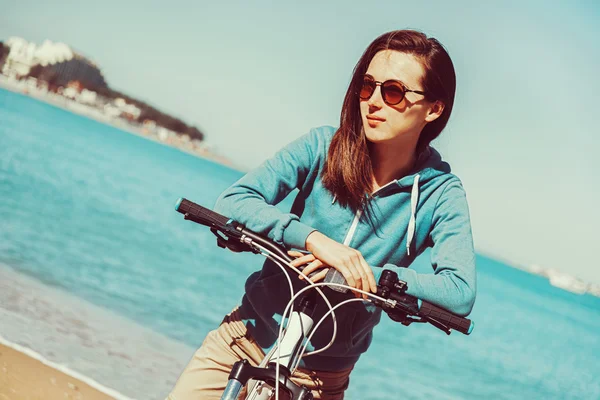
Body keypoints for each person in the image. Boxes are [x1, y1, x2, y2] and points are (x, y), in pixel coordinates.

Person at [167, 29, 476, 400]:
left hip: (319, 379)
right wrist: (314, 241)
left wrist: (363, 274)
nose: (373, 102)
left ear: (434, 108)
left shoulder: (440, 193)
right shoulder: (321, 146)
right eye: (368, 86)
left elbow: (459, 291)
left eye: (392, 91)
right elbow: (234, 200)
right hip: (242, 340)